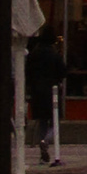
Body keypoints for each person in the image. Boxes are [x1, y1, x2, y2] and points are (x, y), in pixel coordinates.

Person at [24, 26, 67, 166]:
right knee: (55, 121)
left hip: (37, 91)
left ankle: (42, 153)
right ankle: (46, 140)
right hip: (51, 90)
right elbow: (63, 71)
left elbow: (27, 72)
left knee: (42, 121)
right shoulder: (54, 54)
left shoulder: (33, 54)